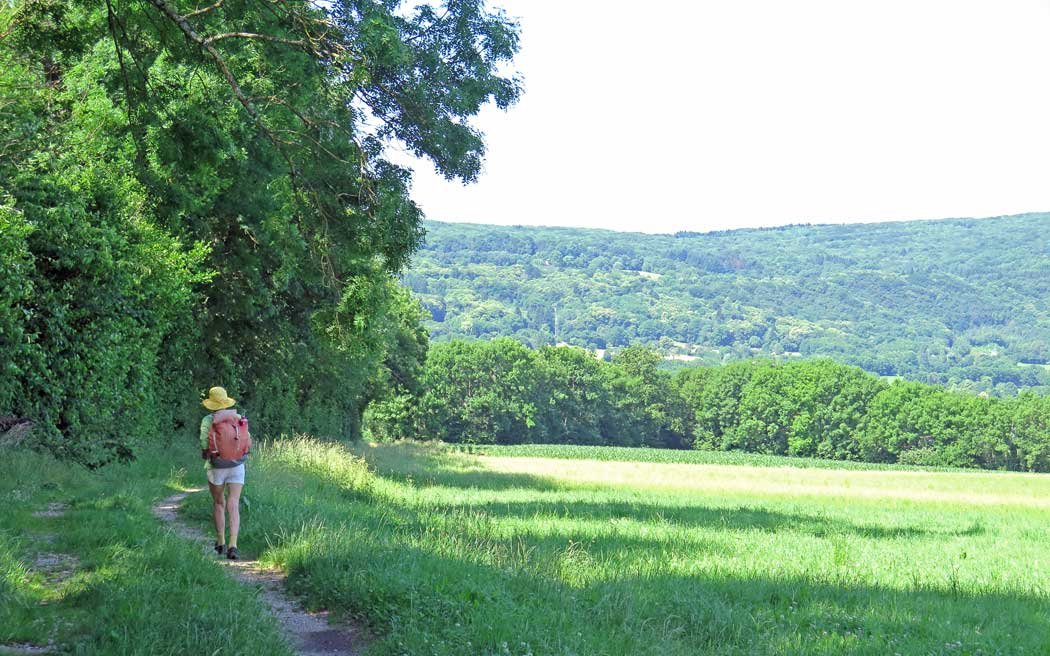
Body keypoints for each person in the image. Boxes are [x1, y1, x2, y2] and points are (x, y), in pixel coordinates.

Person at [199, 386, 248, 560]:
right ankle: (233, 545)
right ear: (226, 401)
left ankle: (220, 542)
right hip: (237, 465)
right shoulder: (238, 417)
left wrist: (206, 453)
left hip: (216, 466)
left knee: (219, 503)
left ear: (211, 403)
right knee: (233, 503)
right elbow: (246, 440)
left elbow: (204, 443)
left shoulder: (208, 420)